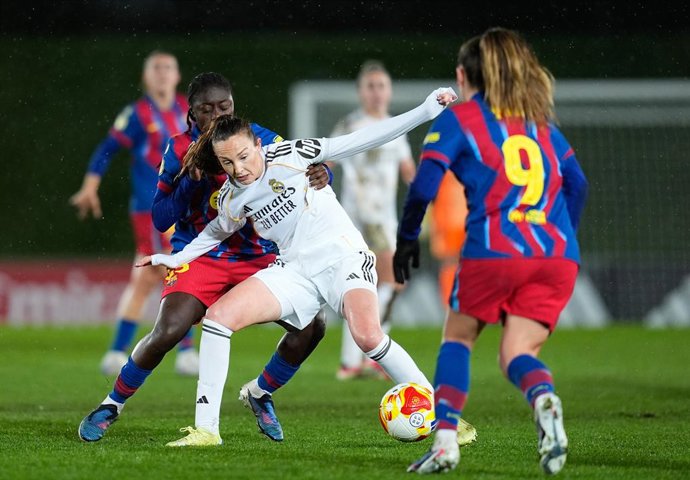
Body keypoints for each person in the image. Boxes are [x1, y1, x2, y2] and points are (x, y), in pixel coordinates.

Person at [138, 87, 458, 447]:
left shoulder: (293, 153)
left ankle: (444, 419)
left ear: (257, 145)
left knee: (367, 336)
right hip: (294, 270)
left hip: (343, 257)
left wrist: (425, 111)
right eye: (228, 163)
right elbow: (214, 232)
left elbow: (363, 138)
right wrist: (176, 258)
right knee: (217, 318)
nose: (239, 169)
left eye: (244, 156)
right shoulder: (232, 195)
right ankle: (207, 431)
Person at [78, 72, 331, 444]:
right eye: (206, 109)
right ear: (190, 115)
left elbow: (301, 170)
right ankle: (112, 404)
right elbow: (161, 217)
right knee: (168, 331)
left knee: (313, 325)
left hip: (258, 257)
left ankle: (261, 392)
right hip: (202, 255)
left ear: (233, 106)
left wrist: (323, 175)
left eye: (223, 106)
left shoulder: (260, 140)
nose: (215, 115)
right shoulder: (179, 149)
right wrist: (190, 182)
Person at [395, 28, 588, 475]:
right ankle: (544, 399)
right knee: (517, 353)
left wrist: (407, 238)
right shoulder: (539, 122)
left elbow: (424, 187)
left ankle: (444, 443)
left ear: (463, 75)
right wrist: (562, 238)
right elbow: (578, 183)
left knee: (458, 338)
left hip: (494, 250)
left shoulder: (460, 119)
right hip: (557, 256)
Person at [69, 50, 197, 376]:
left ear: (178, 75)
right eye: (156, 68)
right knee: (172, 272)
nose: (163, 73)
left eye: (169, 67)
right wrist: (89, 186)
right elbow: (107, 149)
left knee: (160, 274)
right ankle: (183, 351)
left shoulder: (188, 109)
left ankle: (122, 351)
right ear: (146, 77)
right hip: (150, 209)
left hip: (184, 204)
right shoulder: (138, 113)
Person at [329, 60, 416, 381]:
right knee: (390, 283)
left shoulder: (396, 127)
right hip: (360, 220)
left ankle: (356, 360)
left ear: (389, 91)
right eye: (371, 86)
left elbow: (409, 173)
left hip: (383, 219)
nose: (377, 92)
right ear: (361, 91)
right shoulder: (351, 125)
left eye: (382, 86)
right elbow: (326, 163)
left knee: (373, 285)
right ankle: (366, 357)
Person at [429, 172, 468, 304]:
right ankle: (452, 304)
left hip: (464, 214)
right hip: (448, 216)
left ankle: (460, 305)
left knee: (463, 261)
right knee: (451, 261)